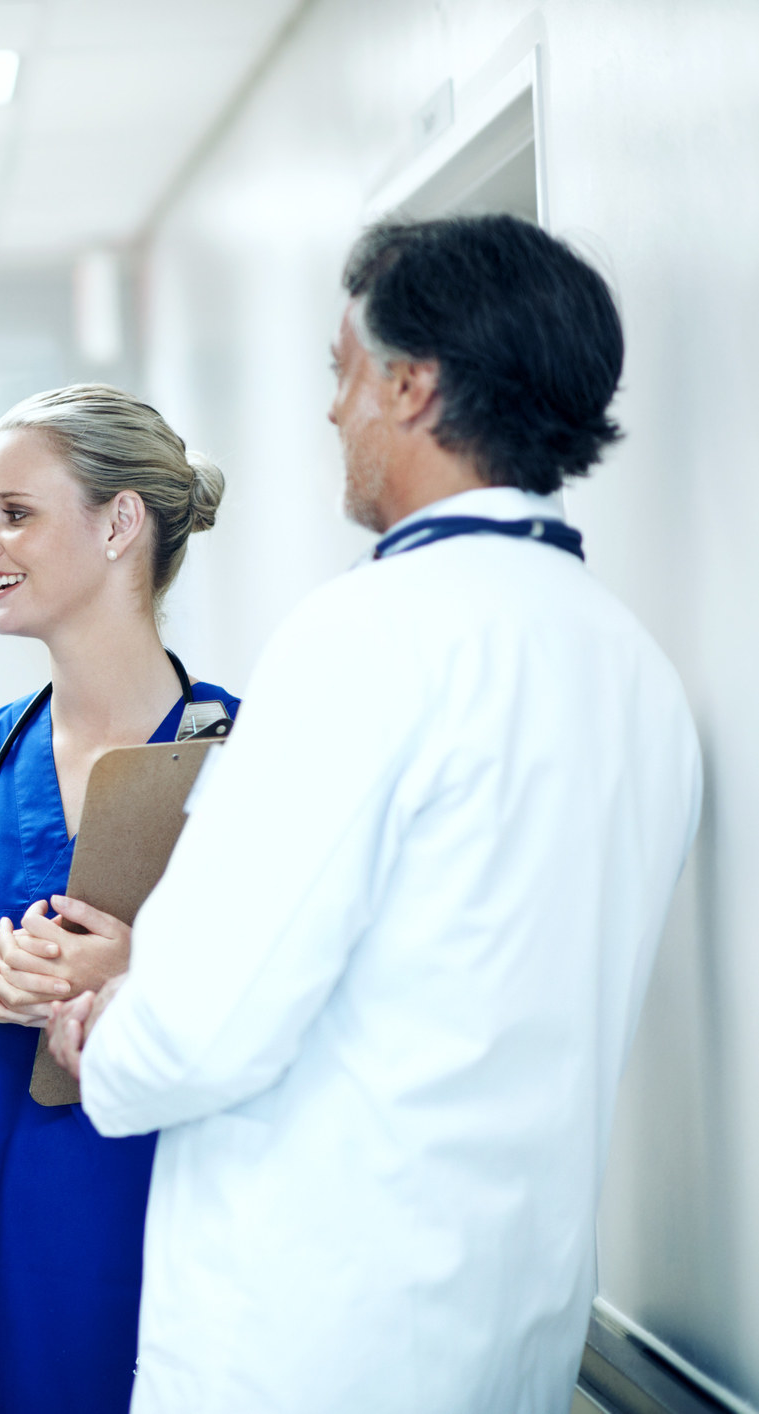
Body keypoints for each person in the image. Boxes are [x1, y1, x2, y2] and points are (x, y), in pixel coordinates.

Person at [45, 214, 703, 1413]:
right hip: (510, 1333)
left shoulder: (368, 638)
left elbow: (199, 1032)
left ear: (411, 385)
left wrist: (100, 1037)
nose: (332, 411)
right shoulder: (634, 668)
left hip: (317, 1344)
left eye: (343, 371)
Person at [0, 385, 236, 1412]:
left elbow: (321, 1025)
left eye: (13, 512)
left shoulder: (253, 765)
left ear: (120, 523)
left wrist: (142, 978)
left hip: (184, 1214)